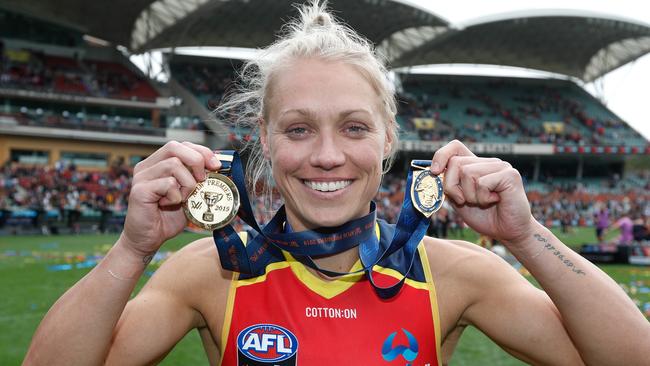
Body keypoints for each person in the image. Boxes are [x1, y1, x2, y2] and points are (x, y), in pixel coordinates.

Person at [24, 2, 650, 365]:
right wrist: (132, 250)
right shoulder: (208, 274)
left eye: (354, 127)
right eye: (298, 130)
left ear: (388, 139)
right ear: (263, 140)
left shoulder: (452, 273)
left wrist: (527, 235)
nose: (327, 156)